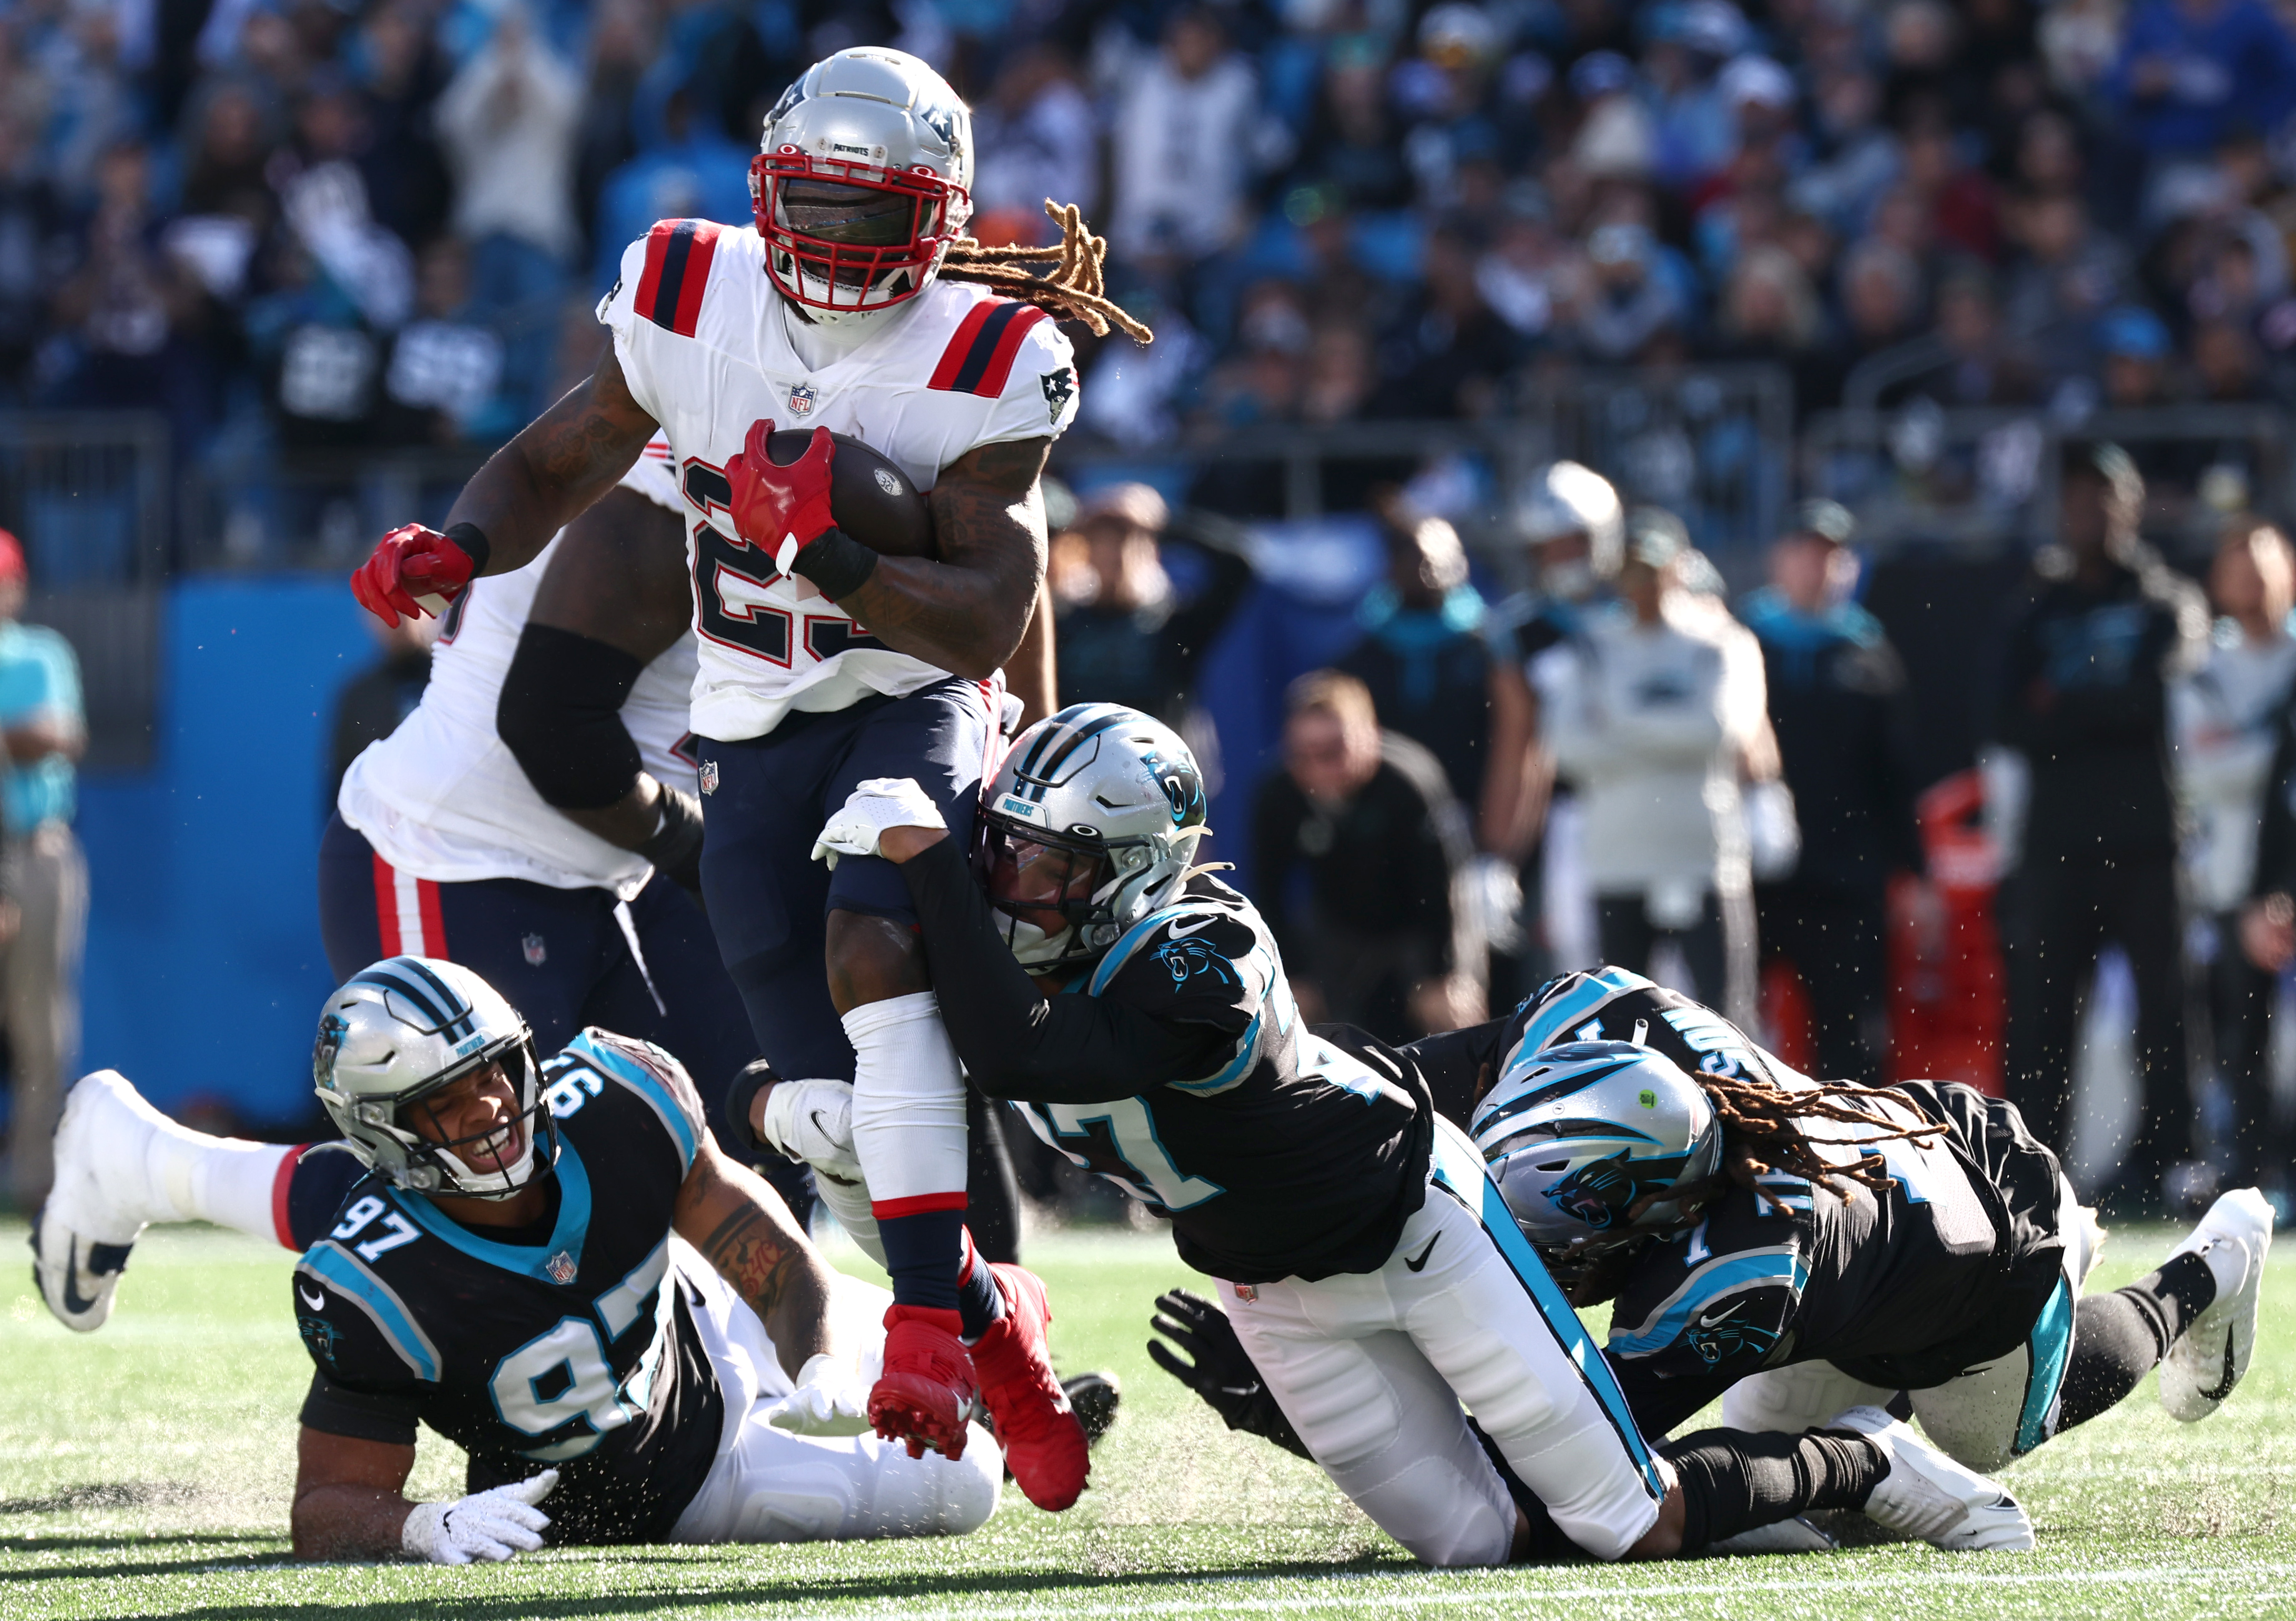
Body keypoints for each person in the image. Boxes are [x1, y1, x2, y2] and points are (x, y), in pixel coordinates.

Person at [341, 47, 1146, 1507]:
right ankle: (994, 1334)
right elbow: (562, 454)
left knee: (878, 951)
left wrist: (836, 549)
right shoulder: (684, 304)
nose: (837, 247)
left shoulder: (986, 353)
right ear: (766, 192)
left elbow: (981, 609)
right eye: (814, 209)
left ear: (939, 215)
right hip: (753, 722)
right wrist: (457, 541)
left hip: (905, 699)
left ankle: (921, 1324)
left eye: (872, 214)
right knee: (814, 1109)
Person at [750, 708, 2038, 1565]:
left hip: (1418, 1226)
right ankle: (1787, 1477)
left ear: (1133, 866)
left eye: (1039, 866)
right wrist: (766, 1101)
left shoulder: (1209, 952)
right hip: (1271, 1289)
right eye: (994, 856)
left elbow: (1033, 1049)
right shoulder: (1026, 948)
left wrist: (918, 872)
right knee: (1485, 1550)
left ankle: (1855, 1463)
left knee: (1617, 1521)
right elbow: (918, 1077)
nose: (1002, 889)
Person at [1157, 967, 2271, 1506]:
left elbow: (1550, 1471)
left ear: (1640, 1223)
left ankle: (2203, 1272)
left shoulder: (1727, 1275)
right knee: (1794, 1481)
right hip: (1889, 1164)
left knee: (1975, 1440)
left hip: (1978, 1257)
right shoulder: (1594, 1030)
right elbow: (1402, 1087)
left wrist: (1295, 1418)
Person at [56, 957, 1002, 1559]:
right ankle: (139, 1155)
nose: (491, 1107)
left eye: (496, 1069)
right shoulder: (369, 1283)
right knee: (966, 1483)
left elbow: (774, 1259)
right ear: (381, 1128)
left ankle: (139, 1153)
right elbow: (326, 1507)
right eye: (446, 1100)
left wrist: (822, 1357)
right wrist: (419, 1525)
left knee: (931, 1366)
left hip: (701, 1323)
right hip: (671, 1482)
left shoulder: (620, 1099)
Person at [1995, 442, 2208, 1209]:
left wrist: (2067, 707)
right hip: (2055, 846)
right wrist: (2095, 707)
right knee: (2043, 1017)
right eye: (2075, 495)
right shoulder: (2035, 603)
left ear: (2132, 504)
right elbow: (2002, 718)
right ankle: (2032, 1172)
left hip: (2148, 843)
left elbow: (2162, 697)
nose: (2087, 510)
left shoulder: (2162, 598)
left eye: (2103, 495)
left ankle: (2171, 1164)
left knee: (2165, 1014)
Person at [1539, 511, 1765, 1027]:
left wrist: (1616, 723)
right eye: (1632, 571)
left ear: (1679, 569)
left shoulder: (1719, 642)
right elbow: (1568, 746)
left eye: (1653, 570)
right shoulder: (1591, 645)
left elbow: (1718, 730)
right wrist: (1666, 730)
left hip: (1701, 861)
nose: (1642, 585)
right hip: (1618, 861)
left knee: (1723, 1019)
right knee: (1621, 1021)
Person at [1739, 501, 1926, 1085]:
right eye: (1805, 552)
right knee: (1731, 1031)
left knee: (1852, 1041)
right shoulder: (1739, 642)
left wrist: (1914, 874)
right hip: (1756, 878)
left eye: (1832, 555)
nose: (1818, 567)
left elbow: (1895, 773)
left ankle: (1857, 1163)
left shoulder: (1869, 654)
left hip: (1847, 880)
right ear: (1778, 560)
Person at [1252, 670, 1484, 1042]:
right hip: (1340, 927)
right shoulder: (1277, 795)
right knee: (1303, 1025)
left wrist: (1445, 974)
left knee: (1450, 1025)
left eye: (1333, 751)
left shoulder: (1406, 783)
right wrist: (1291, 974)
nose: (1318, 768)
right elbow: (1269, 892)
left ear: (1370, 736)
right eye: (1303, 753)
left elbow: (1444, 884)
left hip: (1419, 925)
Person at [2176, 521, 2296, 1199]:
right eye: (2237, 565)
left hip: (2282, 879)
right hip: (2229, 881)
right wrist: (2274, 753)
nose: (2252, 579)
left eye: (2265, 564)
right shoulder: (2202, 667)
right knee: (2238, 1037)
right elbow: (2198, 770)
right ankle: (2250, 1175)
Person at [0, 528, 86, 1209]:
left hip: (32, 846)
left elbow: (60, 734)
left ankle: (33, 1174)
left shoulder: (39, 651)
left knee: (38, 1021)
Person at [1051, 481, 1252, 727]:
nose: (1115, 556)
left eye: (1128, 542)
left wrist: (1166, 521)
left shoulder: (1173, 625)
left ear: (1153, 551)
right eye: (1103, 543)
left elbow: (1239, 563)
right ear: (1087, 553)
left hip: (1157, 758)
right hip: (1078, 756)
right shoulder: (1063, 623)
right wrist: (1076, 520)